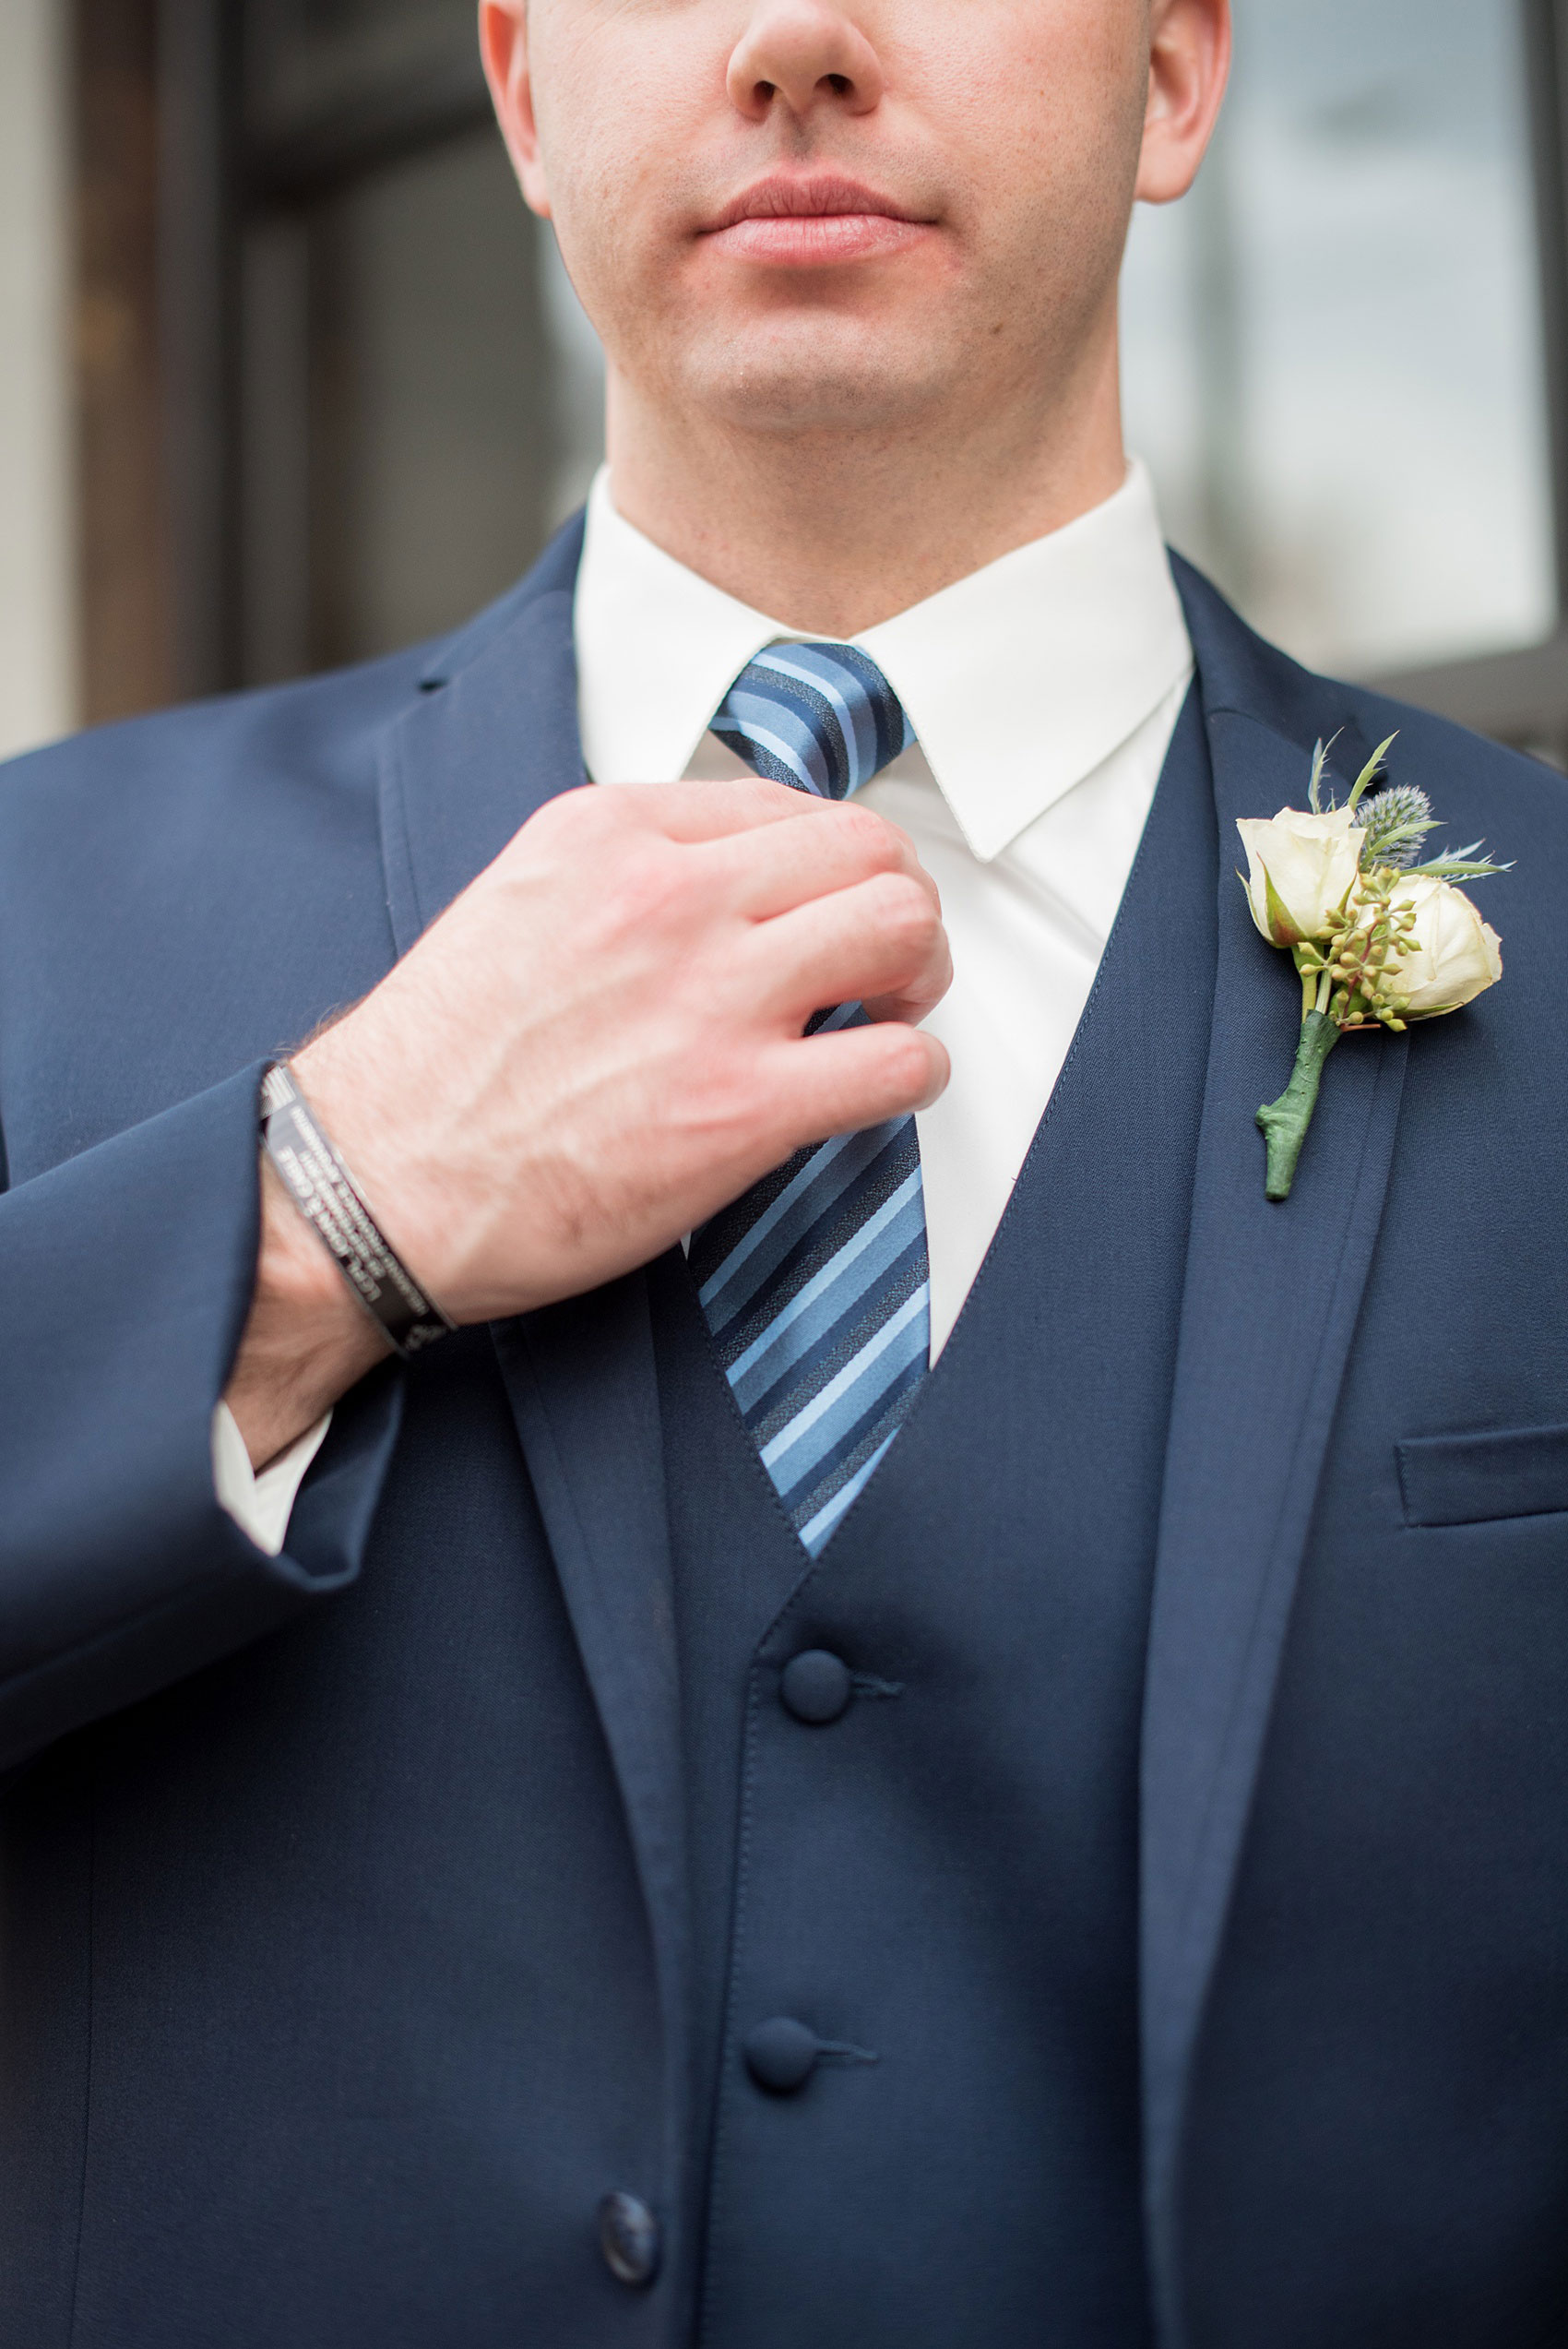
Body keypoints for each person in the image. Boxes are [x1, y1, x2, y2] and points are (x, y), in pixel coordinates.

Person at [3, 0, 1566, 2342]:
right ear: (522, 96)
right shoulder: (41, 906)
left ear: (1170, 76)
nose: (796, 38)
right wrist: (327, 1204)